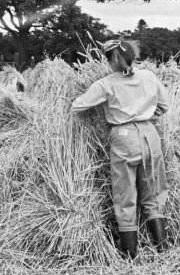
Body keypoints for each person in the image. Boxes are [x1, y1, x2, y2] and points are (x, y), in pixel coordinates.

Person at [71, 39, 169, 259]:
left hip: (123, 137)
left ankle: (130, 254)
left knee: (125, 195)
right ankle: (162, 249)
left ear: (111, 59)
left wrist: (99, 112)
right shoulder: (149, 77)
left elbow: (77, 105)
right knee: (153, 192)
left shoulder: (106, 84)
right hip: (150, 135)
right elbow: (164, 106)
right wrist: (144, 114)